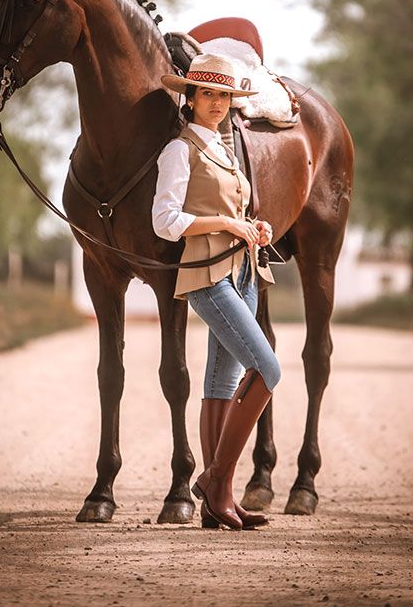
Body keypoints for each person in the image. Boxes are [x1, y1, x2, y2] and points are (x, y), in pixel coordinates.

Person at [152, 52, 281, 530]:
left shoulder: (225, 151)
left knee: (221, 383)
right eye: (208, 93)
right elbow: (165, 223)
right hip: (208, 277)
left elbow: (231, 210)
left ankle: (217, 504)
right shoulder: (178, 150)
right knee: (267, 368)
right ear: (190, 97)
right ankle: (215, 478)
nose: (217, 102)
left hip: (244, 271)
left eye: (224, 95)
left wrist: (252, 228)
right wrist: (226, 222)